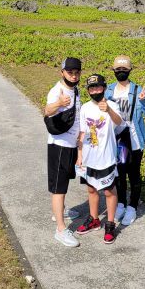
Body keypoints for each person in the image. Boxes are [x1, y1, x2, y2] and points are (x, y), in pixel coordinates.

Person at [105, 55, 145, 227]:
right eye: (118, 70)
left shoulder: (137, 90)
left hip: (134, 140)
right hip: (115, 139)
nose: (121, 72)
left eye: (124, 70)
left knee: (134, 174)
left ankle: (132, 206)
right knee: (119, 173)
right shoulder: (109, 91)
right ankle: (120, 204)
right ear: (113, 71)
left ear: (130, 71)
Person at [76, 73, 123, 244]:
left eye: (98, 87)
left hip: (107, 157)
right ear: (88, 90)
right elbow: (82, 132)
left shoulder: (112, 105)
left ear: (104, 88)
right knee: (91, 189)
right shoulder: (85, 108)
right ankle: (94, 219)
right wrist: (79, 155)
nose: (95, 90)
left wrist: (108, 110)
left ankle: (110, 224)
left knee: (109, 191)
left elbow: (119, 122)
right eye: (91, 88)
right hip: (90, 157)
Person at [45, 57, 83, 247]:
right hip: (59, 145)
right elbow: (47, 111)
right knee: (58, 188)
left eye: (77, 73)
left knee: (65, 182)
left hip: (71, 145)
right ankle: (60, 229)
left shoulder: (75, 90)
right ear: (62, 72)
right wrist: (59, 103)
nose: (74, 76)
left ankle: (61, 212)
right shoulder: (56, 91)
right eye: (70, 72)